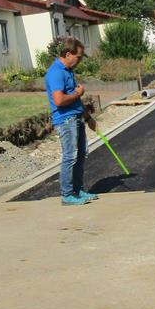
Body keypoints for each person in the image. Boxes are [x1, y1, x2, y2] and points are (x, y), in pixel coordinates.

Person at [45, 37, 98, 206]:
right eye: (78, 57)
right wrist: (78, 94)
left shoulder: (68, 71)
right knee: (70, 156)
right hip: (66, 120)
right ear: (68, 54)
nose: (80, 61)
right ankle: (67, 195)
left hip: (76, 118)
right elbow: (59, 100)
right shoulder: (56, 72)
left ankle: (77, 190)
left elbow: (75, 100)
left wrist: (87, 117)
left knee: (81, 154)